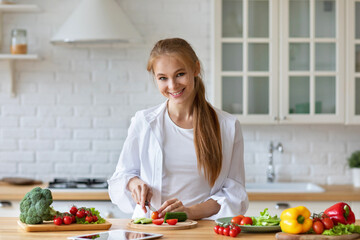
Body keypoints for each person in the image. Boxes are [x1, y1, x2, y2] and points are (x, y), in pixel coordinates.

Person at [108, 38, 248, 220]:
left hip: (202, 231)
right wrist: (133, 183)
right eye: (163, 78)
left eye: (180, 74)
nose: (173, 85)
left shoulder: (227, 126)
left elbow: (234, 193)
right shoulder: (144, 122)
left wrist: (190, 212)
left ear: (196, 68)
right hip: (151, 229)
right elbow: (122, 177)